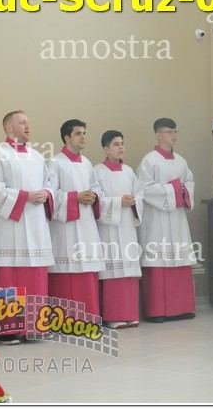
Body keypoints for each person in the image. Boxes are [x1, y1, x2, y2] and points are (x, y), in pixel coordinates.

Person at [0, 110, 55, 344]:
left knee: (35, 275)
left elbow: (49, 183)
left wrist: (46, 194)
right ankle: (7, 330)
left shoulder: (37, 156)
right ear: (9, 128)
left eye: (28, 122)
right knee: (9, 276)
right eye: (22, 122)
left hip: (34, 224)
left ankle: (34, 326)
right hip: (8, 228)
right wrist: (25, 197)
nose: (27, 126)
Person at [138, 118, 196, 322]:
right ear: (158, 135)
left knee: (180, 259)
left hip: (177, 218)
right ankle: (158, 311)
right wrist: (174, 189)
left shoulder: (181, 161)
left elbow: (189, 183)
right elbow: (144, 190)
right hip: (157, 220)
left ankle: (183, 307)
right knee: (159, 260)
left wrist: (183, 190)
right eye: (169, 132)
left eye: (175, 131)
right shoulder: (149, 161)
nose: (173, 135)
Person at [47, 119, 105, 316]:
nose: (83, 137)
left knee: (87, 271)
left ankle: (89, 318)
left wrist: (94, 196)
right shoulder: (55, 163)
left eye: (84, 133)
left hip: (86, 225)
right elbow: (50, 195)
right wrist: (75, 198)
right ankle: (66, 320)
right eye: (78, 133)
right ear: (67, 138)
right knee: (68, 275)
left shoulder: (87, 163)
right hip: (66, 230)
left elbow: (96, 189)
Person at [93, 130, 143, 329]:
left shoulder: (129, 171)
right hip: (109, 229)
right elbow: (96, 200)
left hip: (127, 225)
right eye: (115, 144)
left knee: (129, 268)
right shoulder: (97, 172)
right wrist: (118, 202)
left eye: (122, 143)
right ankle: (113, 316)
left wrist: (134, 201)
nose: (120, 147)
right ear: (106, 149)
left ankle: (130, 314)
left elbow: (140, 194)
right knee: (112, 270)